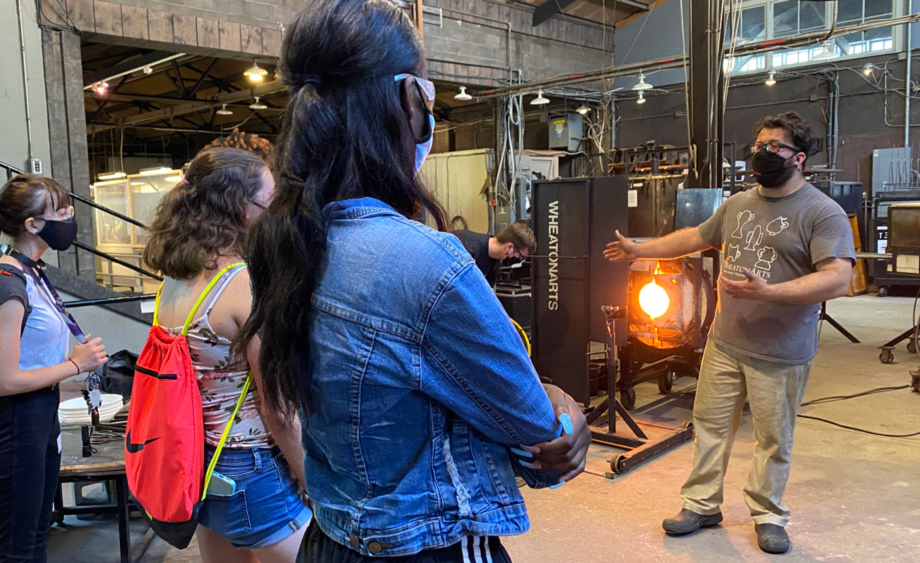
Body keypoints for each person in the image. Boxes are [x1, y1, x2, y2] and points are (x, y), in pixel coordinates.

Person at [239, 0, 591, 561]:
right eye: (429, 95)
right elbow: (538, 429)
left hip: (331, 541)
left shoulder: (284, 243)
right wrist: (564, 401)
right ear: (409, 100)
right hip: (426, 546)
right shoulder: (425, 262)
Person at [605, 111, 855, 554]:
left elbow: (838, 278)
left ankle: (768, 514)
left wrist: (771, 292)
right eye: (759, 144)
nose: (762, 153)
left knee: (773, 439)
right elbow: (694, 237)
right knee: (710, 427)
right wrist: (638, 249)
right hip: (724, 343)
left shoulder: (822, 212)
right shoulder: (739, 203)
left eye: (774, 146)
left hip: (780, 351)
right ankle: (701, 504)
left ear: (799, 158)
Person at [142, 147, 311, 563]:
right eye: (269, 202)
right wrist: (310, 475)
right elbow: (278, 410)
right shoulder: (242, 286)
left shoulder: (175, 283)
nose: (275, 212)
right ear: (242, 209)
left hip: (199, 464)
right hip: (254, 467)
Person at [0, 174, 109, 562]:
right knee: (16, 547)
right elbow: (5, 380)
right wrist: (74, 364)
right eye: (60, 210)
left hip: (37, 416)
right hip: (15, 422)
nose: (70, 216)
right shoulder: (6, 284)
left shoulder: (33, 272)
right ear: (32, 224)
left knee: (33, 539)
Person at [453, 222, 537, 287]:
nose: (519, 260)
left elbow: (488, 295)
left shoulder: (495, 263)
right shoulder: (467, 249)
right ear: (509, 247)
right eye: (520, 257)